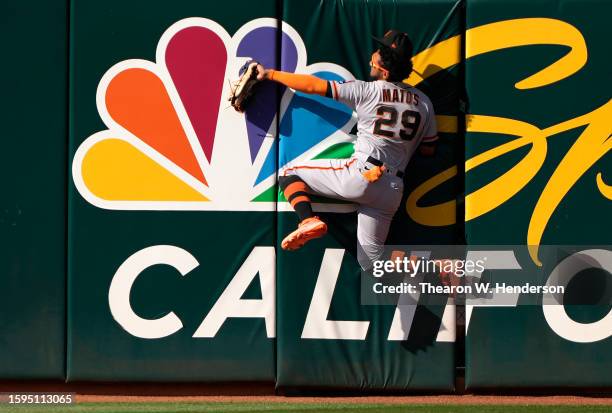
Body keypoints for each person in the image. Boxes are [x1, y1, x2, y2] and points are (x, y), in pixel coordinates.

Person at [256, 30, 439, 270]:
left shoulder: (368, 90)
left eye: (378, 53)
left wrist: (270, 74)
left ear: (384, 68)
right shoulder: (424, 101)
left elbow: (313, 86)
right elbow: (429, 149)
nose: (372, 57)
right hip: (392, 190)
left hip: (361, 174)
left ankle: (307, 220)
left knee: (289, 172)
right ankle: (437, 267)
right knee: (372, 261)